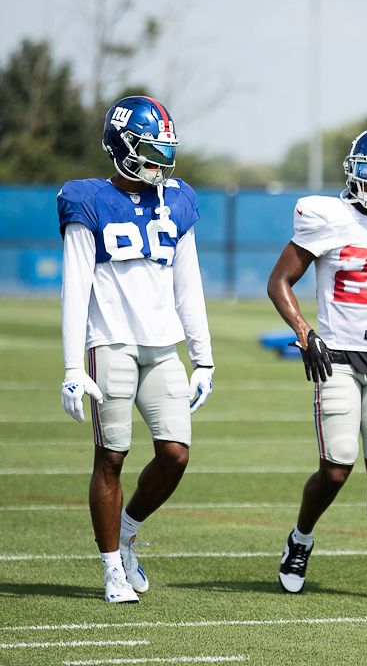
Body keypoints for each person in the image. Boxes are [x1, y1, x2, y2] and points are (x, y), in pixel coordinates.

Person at [57, 95, 215, 604]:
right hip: (111, 343)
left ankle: (126, 533)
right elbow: (75, 286)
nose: (160, 161)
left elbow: (189, 285)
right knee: (112, 457)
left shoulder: (178, 199)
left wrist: (203, 357)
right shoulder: (87, 200)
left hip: (161, 346)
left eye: (164, 149)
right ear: (120, 145)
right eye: (150, 149)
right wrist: (70, 364)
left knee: (175, 454)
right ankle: (110, 571)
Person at [266, 125, 367, 602]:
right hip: (334, 357)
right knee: (336, 467)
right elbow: (280, 281)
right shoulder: (325, 215)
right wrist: (304, 331)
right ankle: (300, 539)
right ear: (352, 174)